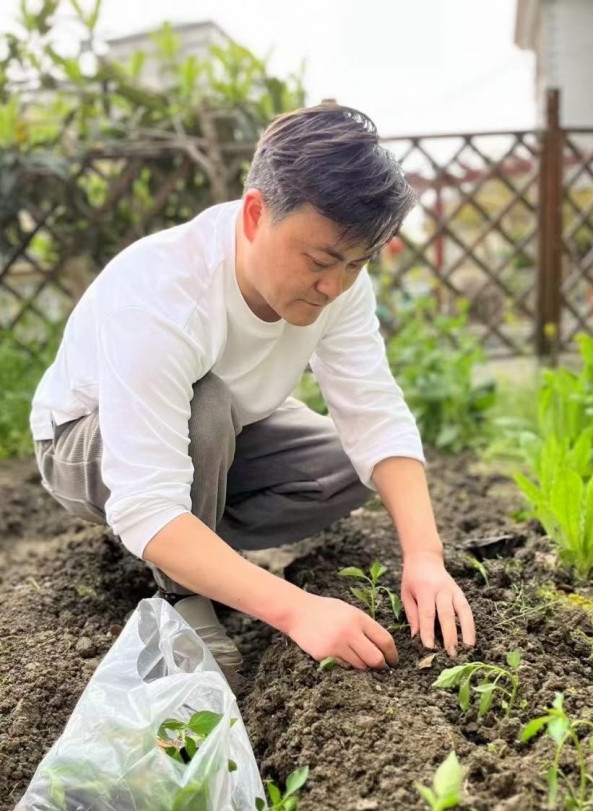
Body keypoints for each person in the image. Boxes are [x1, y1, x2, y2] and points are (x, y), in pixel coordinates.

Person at [29, 102, 475, 675]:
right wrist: (296, 610)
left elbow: (375, 414)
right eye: (320, 260)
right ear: (255, 215)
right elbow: (145, 500)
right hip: (85, 444)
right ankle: (184, 595)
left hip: (226, 430)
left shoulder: (339, 282)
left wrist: (425, 558)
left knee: (352, 466)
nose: (333, 286)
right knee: (205, 407)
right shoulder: (161, 294)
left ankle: (196, 543)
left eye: (356, 264)